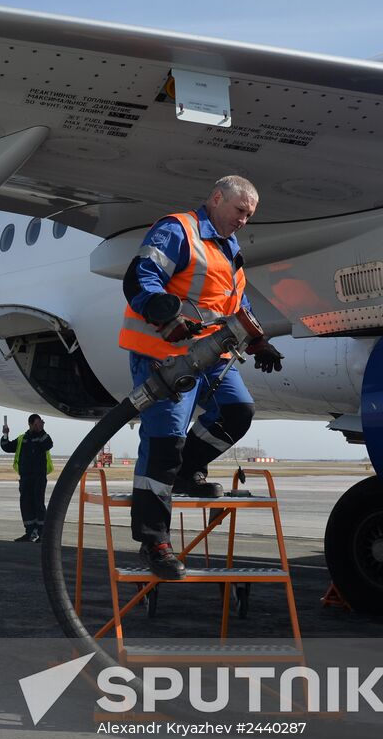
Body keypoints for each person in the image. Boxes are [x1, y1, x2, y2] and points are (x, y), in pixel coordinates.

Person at [119, 175, 284, 580]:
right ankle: (153, 540)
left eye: (249, 215)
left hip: (212, 356)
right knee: (163, 443)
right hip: (165, 355)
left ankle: (186, 472)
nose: (244, 220)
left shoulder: (230, 249)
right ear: (216, 198)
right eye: (240, 211)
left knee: (237, 412)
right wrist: (164, 313)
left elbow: (235, 304)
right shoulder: (178, 230)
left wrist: (258, 341)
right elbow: (141, 276)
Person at [0, 414, 54, 543]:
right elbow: (6, 447)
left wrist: (41, 430)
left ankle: (42, 533)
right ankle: (30, 532)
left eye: (39, 423)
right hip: (25, 477)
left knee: (38, 503)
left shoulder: (42, 437)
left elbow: (49, 444)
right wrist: (5, 434)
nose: (38, 426)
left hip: (39, 477)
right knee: (26, 504)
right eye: (36, 424)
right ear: (30, 424)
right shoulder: (22, 439)